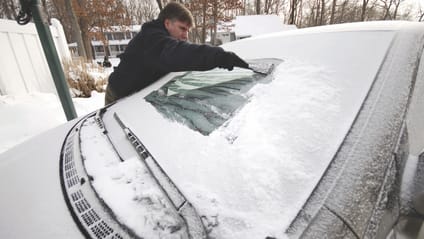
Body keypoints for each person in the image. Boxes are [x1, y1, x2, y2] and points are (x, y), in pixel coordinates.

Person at [105, 2, 248, 105]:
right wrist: (220, 57)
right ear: (167, 23)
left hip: (137, 94)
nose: (186, 35)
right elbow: (179, 54)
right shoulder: (153, 39)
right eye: (182, 28)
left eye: (187, 30)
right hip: (119, 96)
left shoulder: (157, 38)